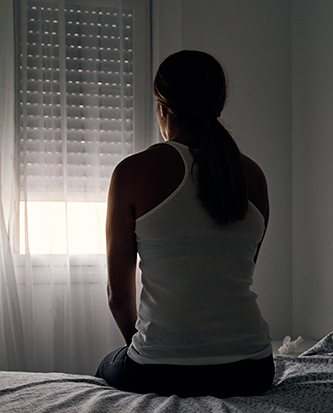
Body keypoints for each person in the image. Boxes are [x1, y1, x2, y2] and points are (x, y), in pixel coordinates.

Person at [95, 50, 275, 398]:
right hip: (252, 369)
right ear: (218, 104)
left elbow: (119, 297)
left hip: (160, 373)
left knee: (106, 366)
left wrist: (150, 347)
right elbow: (236, 272)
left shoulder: (133, 172)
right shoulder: (253, 175)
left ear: (162, 107)